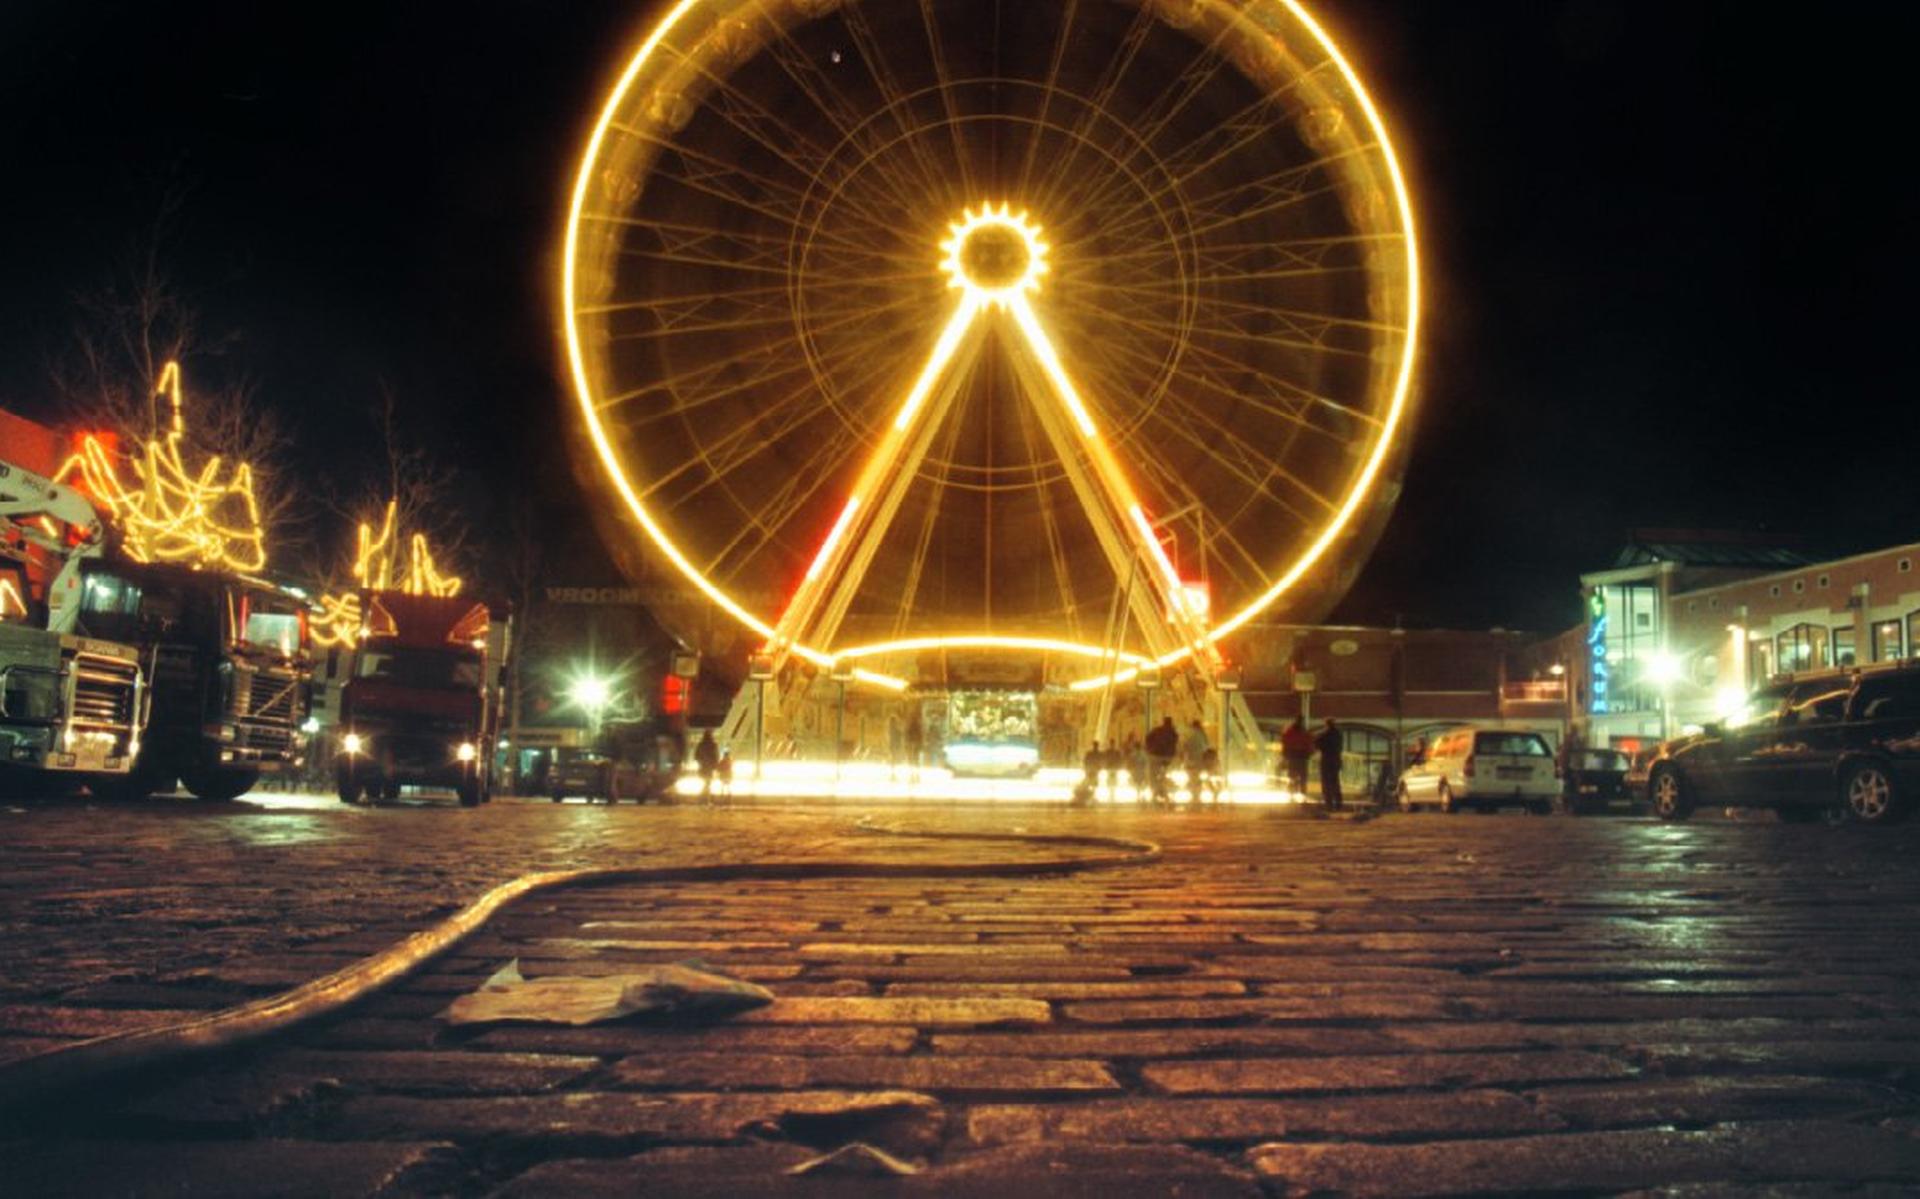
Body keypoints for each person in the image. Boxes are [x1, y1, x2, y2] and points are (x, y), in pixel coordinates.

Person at [1144, 716, 1179, 806]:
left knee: (1153, 776)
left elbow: (1147, 738)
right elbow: (1175, 745)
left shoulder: (1157, 730)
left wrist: (1149, 749)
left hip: (1156, 756)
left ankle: (1156, 793)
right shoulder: (1173, 733)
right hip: (1168, 758)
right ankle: (1165, 792)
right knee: (1167, 776)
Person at [1315, 717, 1345, 811]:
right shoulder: (1338, 735)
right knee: (1335, 782)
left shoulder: (1325, 735)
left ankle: (1329, 804)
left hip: (1327, 760)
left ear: (1327, 725)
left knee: (1326, 783)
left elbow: (1317, 743)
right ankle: (1338, 803)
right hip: (1336, 759)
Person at [1280, 717, 1313, 798]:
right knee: (1303, 776)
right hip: (1302, 757)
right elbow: (1310, 745)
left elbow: (1285, 742)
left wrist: (1284, 755)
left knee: (1292, 775)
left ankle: (1292, 791)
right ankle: (1303, 792)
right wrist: (1309, 753)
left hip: (1292, 756)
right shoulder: (1305, 733)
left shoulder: (1289, 732)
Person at [1183, 720, 1211, 804]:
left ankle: (1194, 796)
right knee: (1196, 778)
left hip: (1192, 761)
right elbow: (1206, 747)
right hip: (1200, 761)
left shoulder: (1191, 735)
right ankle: (1197, 796)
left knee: (1192, 779)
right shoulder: (1203, 735)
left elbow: (1186, 746)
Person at [694, 730, 720, 801]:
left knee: (706, 781)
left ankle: (703, 797)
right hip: (710, 767)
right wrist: (716, 766)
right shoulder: (713, 745)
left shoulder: (700, 745)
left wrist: (701, 762)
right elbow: (716, 756)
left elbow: (696, 756)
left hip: (703, 766)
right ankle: (706, 797)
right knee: (708, 781)